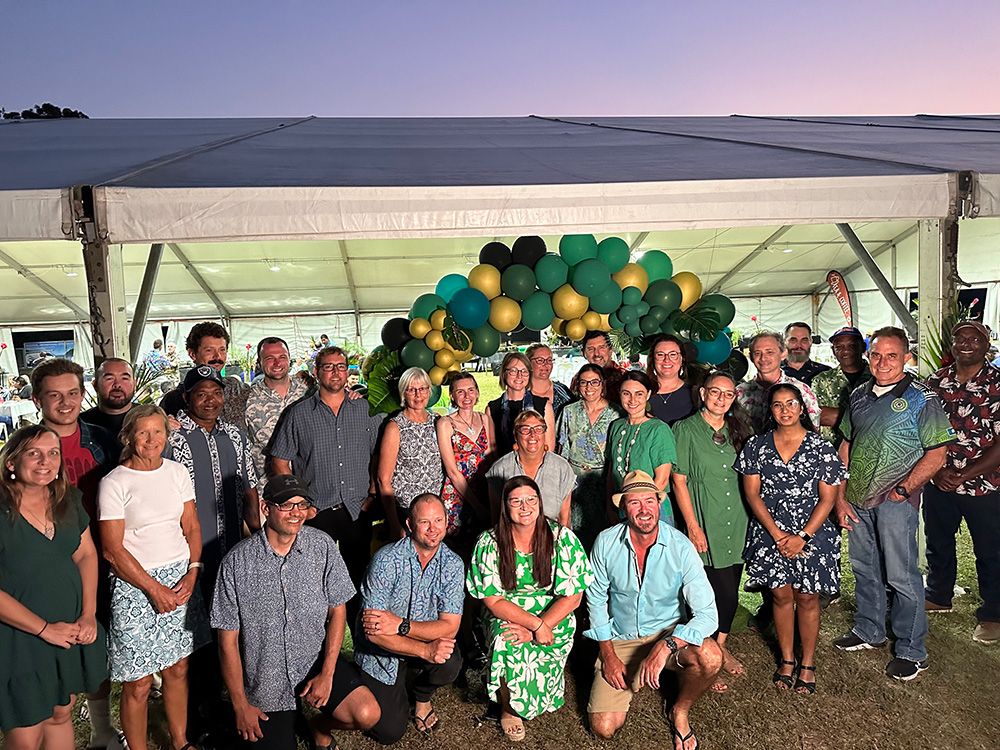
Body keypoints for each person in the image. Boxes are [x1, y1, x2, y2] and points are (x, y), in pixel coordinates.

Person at [211, 474, 380, 750]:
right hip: (266, 676)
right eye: (286, 506)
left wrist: (327, 674)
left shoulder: (322, 546)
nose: (296, 513)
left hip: (313, 659)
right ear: (266, 508)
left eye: (301, 505)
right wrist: (240, 705)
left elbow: (338, 612)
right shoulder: (236, 564)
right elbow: (226, 642)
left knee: (367, 713)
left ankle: (318, 728)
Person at [833, 327, 955, 680]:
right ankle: (869, 630)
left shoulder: (922, 398)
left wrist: (904, 490)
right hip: (857, 499)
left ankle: (912, 649)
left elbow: (937, 453)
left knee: (902, 575)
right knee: (864, 567)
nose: (882, 361)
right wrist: (841, 497)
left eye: (891, 355)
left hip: (894, 500)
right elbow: (846, 446)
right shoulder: (858, 395)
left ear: (906, 358)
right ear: (868, 356)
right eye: (876, 354)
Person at [98, 405, 211, 750]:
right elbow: (112, 550)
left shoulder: (177, 473)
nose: (151, 440)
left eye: (158, 432)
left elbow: (191, 525)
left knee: (177, 668)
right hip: (136, 586)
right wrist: (153, 588)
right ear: (129, 436)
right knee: (139, 682)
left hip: (180, 577)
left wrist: (193, 570)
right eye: (143, 433)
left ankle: (180, 741)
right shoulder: (114, 482)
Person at [585, 470, 722, 749]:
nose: (644, 510)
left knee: (710, 656)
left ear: (660, 504)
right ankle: (635, 669)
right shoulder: (605, 542)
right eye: (635, 502)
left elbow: (708, 613)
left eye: (650, 501)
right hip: (622, 636)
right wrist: (608, 654)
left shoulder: (681, 547)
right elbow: (596, 600)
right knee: (603, 728)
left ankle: (679, 711)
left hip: (667, 633)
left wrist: (667, 645)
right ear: (623, 508)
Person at [30, 357, 120, 750]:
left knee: (94, 638)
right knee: (54, 643)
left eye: (72, 393)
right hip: (49, 564)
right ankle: (57, 719)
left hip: (101, 553)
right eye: (54, 396)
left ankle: (102, 727)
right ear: (37, 399)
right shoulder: (29, 447)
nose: (65, 403)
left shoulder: (102, 438)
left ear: (83, 394)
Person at [0, 425, 108, 750]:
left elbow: (86, 553)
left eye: (53, 453)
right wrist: (44, 629)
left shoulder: (66, 499)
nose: (45, 461)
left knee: (62, 713)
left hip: (69, 627)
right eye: (34, 453)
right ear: (11, 463)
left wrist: (88, 614)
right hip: (18, 637)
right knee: (26, 730)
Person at [735, 384, 846, 694]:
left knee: (808, 598)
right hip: (771, 531)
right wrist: (777, 534)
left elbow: (827, 499)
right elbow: (752, 494)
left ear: (802, 407)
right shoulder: (756, 446)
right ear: (770, 410)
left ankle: (807, 662)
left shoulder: (821, 447)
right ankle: (786, 659)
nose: (785, 410)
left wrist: (802, 537)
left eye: (791, 404)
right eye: (777, 405)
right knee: (780, 597)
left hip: (812, 532)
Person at [467, 476, 593, 742]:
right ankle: (508, 707)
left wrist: (543, 623)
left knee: (553, 635)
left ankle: (536, 694)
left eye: (531, 500)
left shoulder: (561, 537)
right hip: (507, 611)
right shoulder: (489, 542)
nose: (524, 507)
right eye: (516, 501)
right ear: (505, 506)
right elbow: (493, 600)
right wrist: (535, 626)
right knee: (506, 639)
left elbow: (573, 596)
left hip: (551, 609)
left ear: (540, 502)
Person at [270, 346, 383, 620]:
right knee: (313, 585)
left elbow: (380, 455)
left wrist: (371, 493)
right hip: (316, 512)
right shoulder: (299, 414)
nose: (336, 372)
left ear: (348, 371)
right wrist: (296, 504)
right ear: (317, 372)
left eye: (341, 366)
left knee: (358, 582)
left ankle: (360, 651)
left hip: (357, 509)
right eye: (329, 366)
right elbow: (280, 460)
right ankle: (316, 653)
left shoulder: (365, 410)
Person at [354, 494, 464, 742]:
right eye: (424, 522)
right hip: (380, 651)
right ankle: (360, 679)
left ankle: (421, 696)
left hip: (405, 635)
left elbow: (451, 627)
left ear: (447, 522)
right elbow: (374, 633)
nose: (433, 529)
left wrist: (400, 625)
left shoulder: (453, 565)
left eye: (438, 520)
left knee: (450, 661)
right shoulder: (385, 560)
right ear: (410, 525)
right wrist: (425, 650)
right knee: (389, 732)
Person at [670, 371, 753, 691]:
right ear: (702, 393)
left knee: (732, 584)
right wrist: (692, 526)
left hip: (739, 518)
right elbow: (680, 481)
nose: (721, 398)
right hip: (706, 519)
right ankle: (710, 648)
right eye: (715, 392)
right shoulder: (686, 429)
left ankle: (718, 645)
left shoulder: (741, 428)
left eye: (728, 393)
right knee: (719, 594)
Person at [924, 320, 1000, 644]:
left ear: (987, 345)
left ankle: (994, 614)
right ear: (951, 345)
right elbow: (920, 430)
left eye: (974, 339)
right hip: (939, 480)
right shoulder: (935, 381)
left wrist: (965, 474)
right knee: (938, 541)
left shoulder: (998, 383)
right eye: (960, 339)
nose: (967, 344)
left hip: (985, 484)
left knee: (991, 550)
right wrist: (937, 470)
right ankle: (939, 595)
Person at [556, 363, 624, 548]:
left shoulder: (617, 413)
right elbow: (563, 452)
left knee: (606, 539)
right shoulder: (569, 412)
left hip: (606, 484)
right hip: (575, 485)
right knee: (576, 537)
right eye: (584, 382)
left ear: (603, 384)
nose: (589, 387)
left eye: (594, 382)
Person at [378, 367, 444, 540]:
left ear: (429, 391)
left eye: (422, 388)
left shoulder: (437, 421)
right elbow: (383, 479)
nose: (418, 394)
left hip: (434, 511)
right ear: (403, 394)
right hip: (407, 511)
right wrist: (394, 524)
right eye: (411, 389)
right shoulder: (395, 427)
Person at [606, 371, 677, 525]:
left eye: (639, 394)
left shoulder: (658, 429)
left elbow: (662, 480)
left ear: (648, 394)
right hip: (621, 504)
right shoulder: (616, 426)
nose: (632, 400)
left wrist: (641, 509)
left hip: (650, 508)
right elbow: (612, 472)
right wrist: (610, 505)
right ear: (619, 394)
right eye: (626, 393)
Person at [487, 409, 575, 527]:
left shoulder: (562, 468)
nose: (532, 434)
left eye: (538, 429)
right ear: (515, 434)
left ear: (545, 433)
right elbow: (496, 520)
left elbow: (564, 519)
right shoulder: (499, 469)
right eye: (525, 429)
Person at [437, 371, 495, 539]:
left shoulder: (485, 419)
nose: (466, 396)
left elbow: (493, 456)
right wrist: (477, 506)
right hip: (458, 495)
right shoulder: (446, 423)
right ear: (452, 396)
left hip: (485, 490)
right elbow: (452, 471)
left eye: (470, 390)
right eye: (460, 392)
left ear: (477, 392)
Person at [244, 337, 310, 482]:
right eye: (269, 358)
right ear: (259, 362)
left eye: (282, 357)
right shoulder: (246, 398)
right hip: (267, 488)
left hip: (308, 486)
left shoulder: (309, 391)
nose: (277, 363)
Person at [159, 322, 250, 425]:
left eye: (222, 350)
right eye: (209, 350)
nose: (217, 357)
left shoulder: (236, 388)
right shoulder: (174, 399)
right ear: (192, 354)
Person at [736, 331, 820, 433]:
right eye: (757, 353)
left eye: (769, 352)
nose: (763, 358)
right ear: (750, 357)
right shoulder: (738, 393)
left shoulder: (802, 391)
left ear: (783, 354)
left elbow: (813, 433)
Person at [486, 352, 556, 457]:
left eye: (524, 371)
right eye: (513, 371)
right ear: (504, 373)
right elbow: (492, 449)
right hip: (504, 468)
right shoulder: (492, 408)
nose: (519, 376)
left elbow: (549, 447)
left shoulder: (544, 406)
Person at [811, 326, 871, 445]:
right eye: (839, 347)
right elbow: (816, 416)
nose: (846, 351)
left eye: (852, 346)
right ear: (833, 351)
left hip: (868, 450)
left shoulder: (877, 378)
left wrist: (834, 414)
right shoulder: (821, 381)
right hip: (831, 452)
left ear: (863, 347)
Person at [81, 358, 136, 458]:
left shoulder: (150, 419)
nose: (117, 385)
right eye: (109, 379)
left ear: (135, 384)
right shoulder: (81, 424)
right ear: (95, 385)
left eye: (124, 378)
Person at [647, 335, 696, 426]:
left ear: (681, 359)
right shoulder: (641, 393)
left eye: (673, 354)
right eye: (660, 354)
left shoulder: (695, 394)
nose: (667, 360)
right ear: (653, 359)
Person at [570, 330, 628, 404]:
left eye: (602, 348)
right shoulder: (577, 379)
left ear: (611, 350)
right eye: (591, 349)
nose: (597, 353)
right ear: (583, 353)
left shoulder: (625, 378)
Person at [526, 343, 573, 416]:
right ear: (528, 363)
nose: (546, 364)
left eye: (549, 360)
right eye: (540, 360)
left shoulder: (562, 391)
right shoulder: (520, 394)